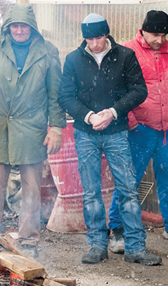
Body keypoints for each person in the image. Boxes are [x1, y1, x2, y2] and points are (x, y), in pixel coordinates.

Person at [58, 13, 161, 266]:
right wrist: (89, 115)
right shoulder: (73, 60)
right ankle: (96, 245)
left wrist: (113, 111)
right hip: (86, 133)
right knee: (91, 191)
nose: (94, 43)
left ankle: (135, 247)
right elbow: (65, 96)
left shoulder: (125, 56)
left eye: (99, 37)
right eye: (90, 38)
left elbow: (139, 90)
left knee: (127, 189)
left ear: (107, 34)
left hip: (117, 132)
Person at [0, 4, 65, 258]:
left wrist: (55, 126)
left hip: (31, 129)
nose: (19, 30)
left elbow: (56, 95)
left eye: (24, 26)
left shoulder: (47, 51)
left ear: (32, 28)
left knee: (31, 189)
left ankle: (29, 240)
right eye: (15, 25)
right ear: (7, 26)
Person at [107, 10, 168, 253]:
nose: (160, 40)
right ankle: (117, 230)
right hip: (140, 129)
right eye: (155, 34)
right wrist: (131, 120)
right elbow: (117, 90)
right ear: (143, 30)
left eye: (163, 34)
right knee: (129, 180)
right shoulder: (128, 52)